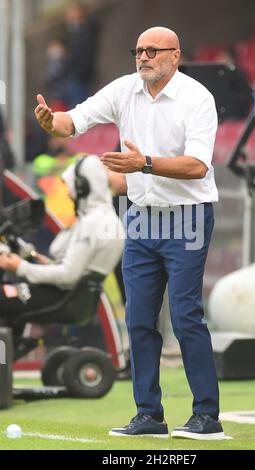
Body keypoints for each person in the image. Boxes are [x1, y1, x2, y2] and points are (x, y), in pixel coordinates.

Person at [34, 26, 224, 440]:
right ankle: (148, 415)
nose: (143, 57)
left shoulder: (198, 98)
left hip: (187, 215)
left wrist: (146, 164)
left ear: (175, 55)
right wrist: (53, 122)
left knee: (186, 314)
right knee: (138, 317)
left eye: (153, 51)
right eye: (138, 50)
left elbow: (197, 166)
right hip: (139, 216)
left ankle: (207, 417)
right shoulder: (124, 89)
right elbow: (74, 121)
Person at [0, 155, 124, 320]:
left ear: (82, 187)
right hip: (74, 298)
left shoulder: (92, 224)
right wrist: (41, 262)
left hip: (61, 297)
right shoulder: (108, 220)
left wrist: (20, 266)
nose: (69, 194)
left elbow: (67, 276)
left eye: (70, 187)